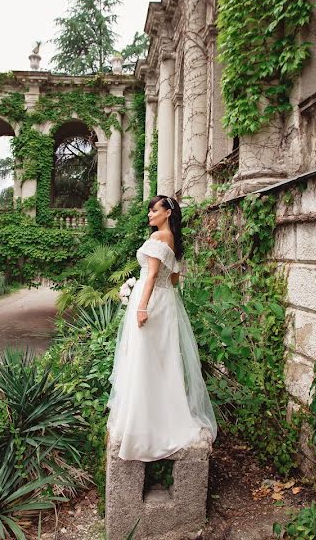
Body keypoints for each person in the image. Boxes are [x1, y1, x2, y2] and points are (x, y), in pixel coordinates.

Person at [107, 195, 218, 461]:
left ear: (168, 212)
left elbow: (154, 274)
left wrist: (142, 305)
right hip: (166, 303)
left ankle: (143, 425)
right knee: (163, 360)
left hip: (152, 304)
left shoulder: (158, 239)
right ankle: (160, 417)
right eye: (149, 210)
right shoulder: (175, 242)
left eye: (154, 210)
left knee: (145, 359)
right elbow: (175, 279)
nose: (149, 214)